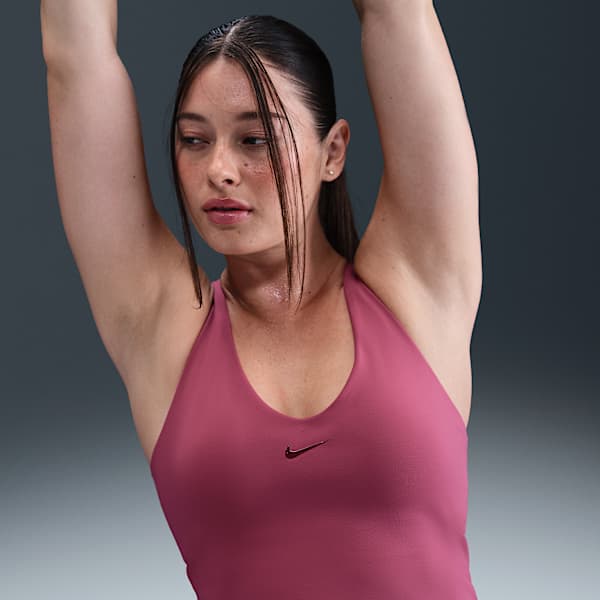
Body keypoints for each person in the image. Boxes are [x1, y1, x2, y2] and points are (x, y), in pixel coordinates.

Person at [41, 0, 482, 597]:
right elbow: (75, 57)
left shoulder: (416, 284)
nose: (219, 169)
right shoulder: (162, 327)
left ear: (333, 152)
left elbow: (397, 11)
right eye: (194, 140)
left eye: (254, 139)